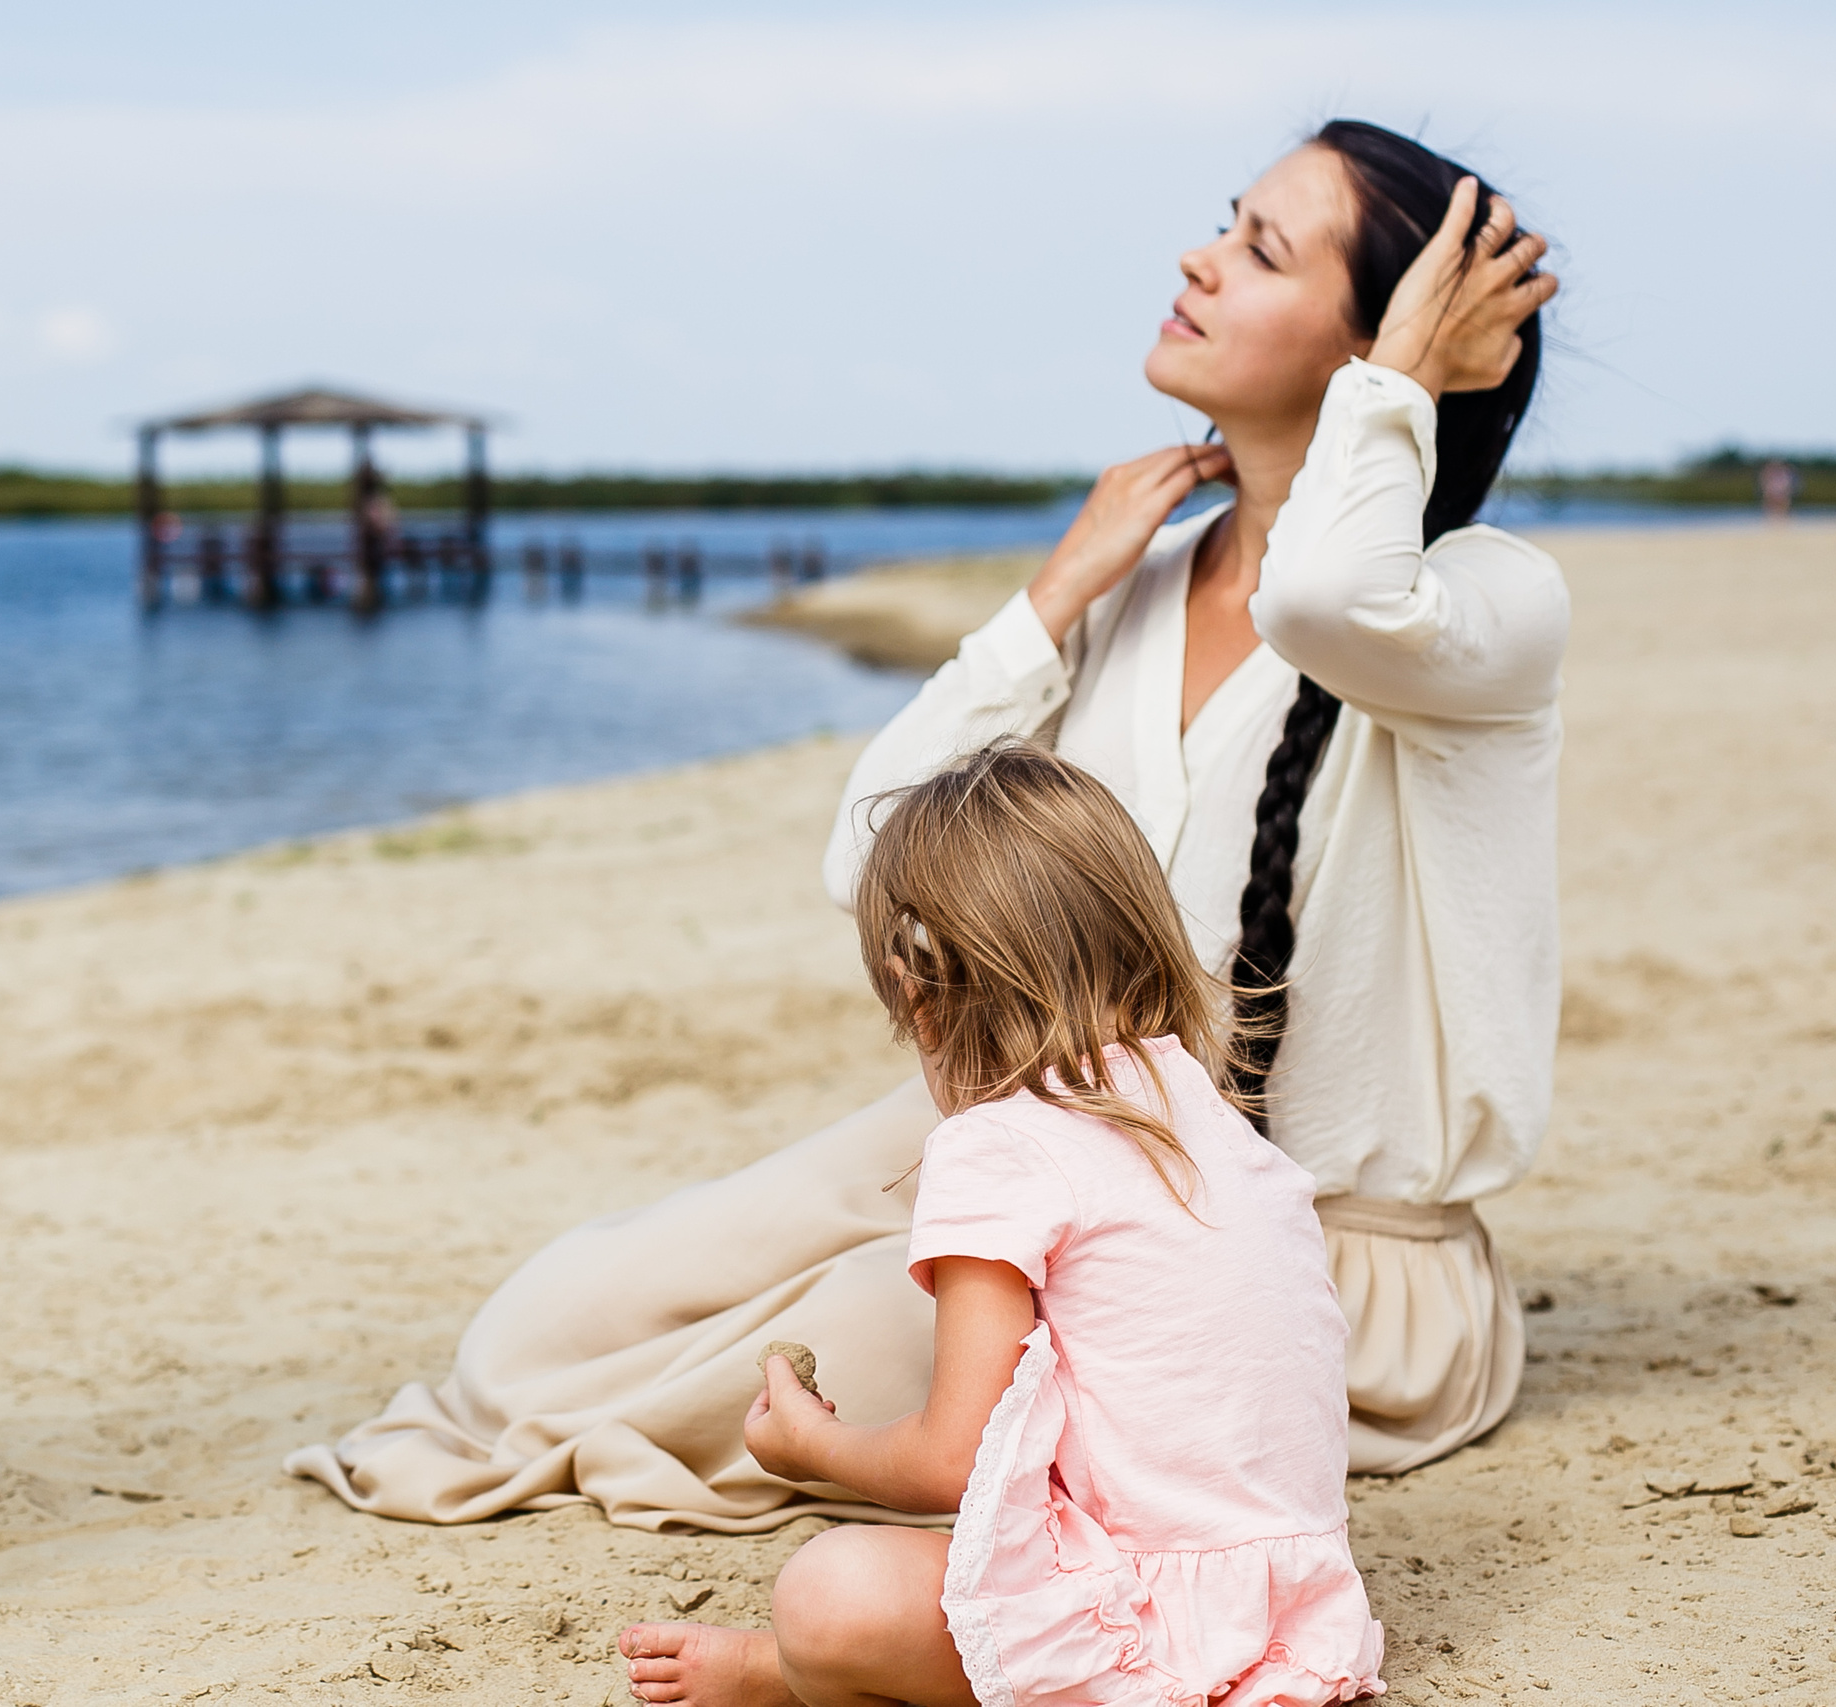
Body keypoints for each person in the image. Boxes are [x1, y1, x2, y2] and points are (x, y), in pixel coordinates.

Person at [286, 117, 1565, 1527]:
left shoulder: (1482, 608)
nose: (1198, 258)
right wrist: (1054, 596)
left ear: (1383, 346)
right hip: (1037, 1150)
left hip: (1301, 1260)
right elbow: (873, 859)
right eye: (1226, 220)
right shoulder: (1131, 602)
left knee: (754, 1377)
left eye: (1260, 249)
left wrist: (1399, 389)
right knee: (536, 1334)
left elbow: (1325, 599)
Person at [622, 743, 1383, 1707]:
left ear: (917, 995)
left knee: (830, 1591)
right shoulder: (1212, 1117)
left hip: (1148, 1623)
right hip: (1295, 1614)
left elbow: (953, 1459)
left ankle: (788, 1672)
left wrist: (813, 1447)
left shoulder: (999, 1146)